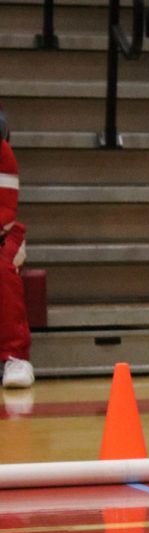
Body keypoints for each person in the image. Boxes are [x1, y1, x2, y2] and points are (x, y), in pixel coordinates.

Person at [1, 116, 34, 391]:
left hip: (2, 232)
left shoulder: (3, 153)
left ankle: (16, 357)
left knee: (1, 268)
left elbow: (5, 209)